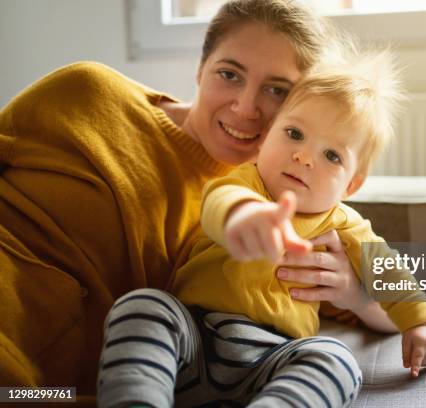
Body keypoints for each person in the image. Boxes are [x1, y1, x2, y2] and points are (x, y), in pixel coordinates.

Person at [0, 0, 390, 394]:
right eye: (229, 74)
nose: (245, 107)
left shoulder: (287, 207)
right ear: (201, 68)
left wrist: (355, 294)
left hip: (43, 393)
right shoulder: (89, 91)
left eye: (276, 90)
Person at [97, 49, 426, 407]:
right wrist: (245, 217)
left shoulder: (344, 224)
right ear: (264, 140)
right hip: (196, 338)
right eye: (294, 133)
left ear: (351, 186)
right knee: (144, 307)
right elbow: (221, 202)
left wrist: (418, 325)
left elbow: (388, 271)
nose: (304, 157)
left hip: (274, 358)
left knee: (336, 360)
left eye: (331, 155)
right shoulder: (245, 184)